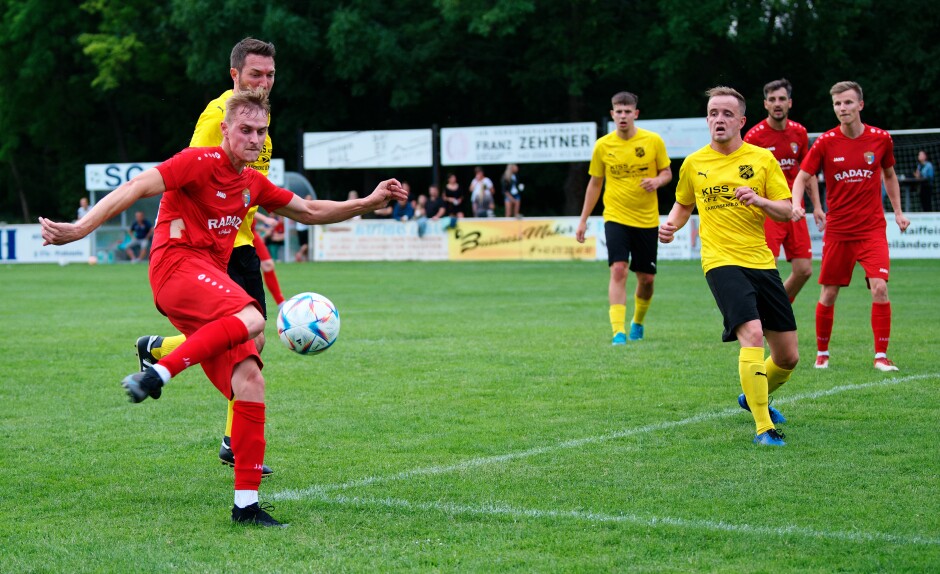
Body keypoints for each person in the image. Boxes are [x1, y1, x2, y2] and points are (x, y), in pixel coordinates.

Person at [40, 88, 407, 526]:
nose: (254, 139)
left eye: (261, 132)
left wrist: (367, 202)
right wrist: (81, 228)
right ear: (226, 131)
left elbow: (308, 209)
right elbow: (137, 186)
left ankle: (246, 508)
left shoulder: (251, 183)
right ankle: (158, 371)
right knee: (252, 316)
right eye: (246, 130)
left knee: (250, 380)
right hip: (174, 268)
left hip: (202, 286)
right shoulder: (198, 162)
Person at [135, 37, 286, 477]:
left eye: (270, 74)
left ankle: (160, 352)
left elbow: (245, 183)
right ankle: (229, 437)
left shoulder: (259, 117)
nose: (263, 82)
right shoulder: (220, 114)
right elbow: (191, 171)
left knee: (251, 340)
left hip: (241, 238)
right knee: (248, 334)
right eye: (255, 74)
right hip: (217, 245)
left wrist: (259, 218)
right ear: (234, 75)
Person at [659, 86, 798, 447]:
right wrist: (670, 224)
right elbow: (683, 204)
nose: (718, 119)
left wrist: (759, 200)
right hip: (720, 262)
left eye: (725, 114)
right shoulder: (694, 163)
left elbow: (786, 210)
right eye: (712, 113)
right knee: (751, 334)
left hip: (761, 262)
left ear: (741, 121)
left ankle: (752, 394)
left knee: (787, 357)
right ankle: (764, 427)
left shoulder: (762, 160)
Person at [790, 81, 910, 372]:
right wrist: (796, 204)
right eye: (837, 104)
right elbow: (802, 176)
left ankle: (881, 356)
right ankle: (822, 353)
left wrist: (898, 212)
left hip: (871, 230)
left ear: (860, 105)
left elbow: (890, 175)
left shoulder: (881, 139)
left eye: (847, 103)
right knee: (829, 293)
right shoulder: (825, 142)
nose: (842, 108)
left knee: (879, 288)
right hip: (838, 232)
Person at [575, 91, 672, 345]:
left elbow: (667, 172)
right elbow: (595, 184)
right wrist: (583, 219)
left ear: (636, 114)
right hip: (615, 217)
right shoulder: (603, 145)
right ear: (612, 114)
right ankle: (618, 331)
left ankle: (637, 321)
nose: (623, 116)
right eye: (618, 111)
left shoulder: (653, 141)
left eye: (627, 111)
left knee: (647, 279)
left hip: (646, 220)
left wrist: (657, 180)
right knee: (619, 270)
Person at [743, 79, 816, 303]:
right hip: (769, 211)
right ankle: (766, 319)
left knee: (804, 270)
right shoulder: (754, 137)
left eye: (782, 99)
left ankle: (777, 309)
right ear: (765, 104)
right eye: (772, 99)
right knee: (767, 268)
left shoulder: (800, 132)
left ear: (790, 103)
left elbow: (807, 171)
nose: (777, 104)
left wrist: (819, 208)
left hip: (796, 210)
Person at [294, 194, 313, 261]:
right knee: (306, 244)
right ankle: (299, 254)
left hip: (300, 229)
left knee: (304, 245)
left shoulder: (301, 205)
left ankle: (305, 259)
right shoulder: (304, 207)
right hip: (303, 229)